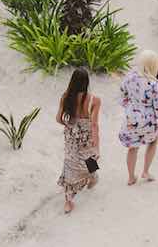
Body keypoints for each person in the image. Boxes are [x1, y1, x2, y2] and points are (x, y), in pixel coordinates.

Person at [118, 50, 158, 185]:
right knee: (152, 142)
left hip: (131, 118)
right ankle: (145, 171)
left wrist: (130, 106)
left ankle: (130, 177)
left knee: (132, 148)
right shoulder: (154, 83)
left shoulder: (129, 77)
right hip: (148, 121)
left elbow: (122, 96)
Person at [57, 68, 101, 214]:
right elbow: (94, 124)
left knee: (71, 163)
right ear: (87, 82)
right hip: (87, 136)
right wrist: (97, 145)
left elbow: (58, 118)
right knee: (90, 158)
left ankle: (68, 201)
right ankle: (93, 177)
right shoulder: (95, 100)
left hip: (71, 136)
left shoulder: (65, 97)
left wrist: (69, 126)